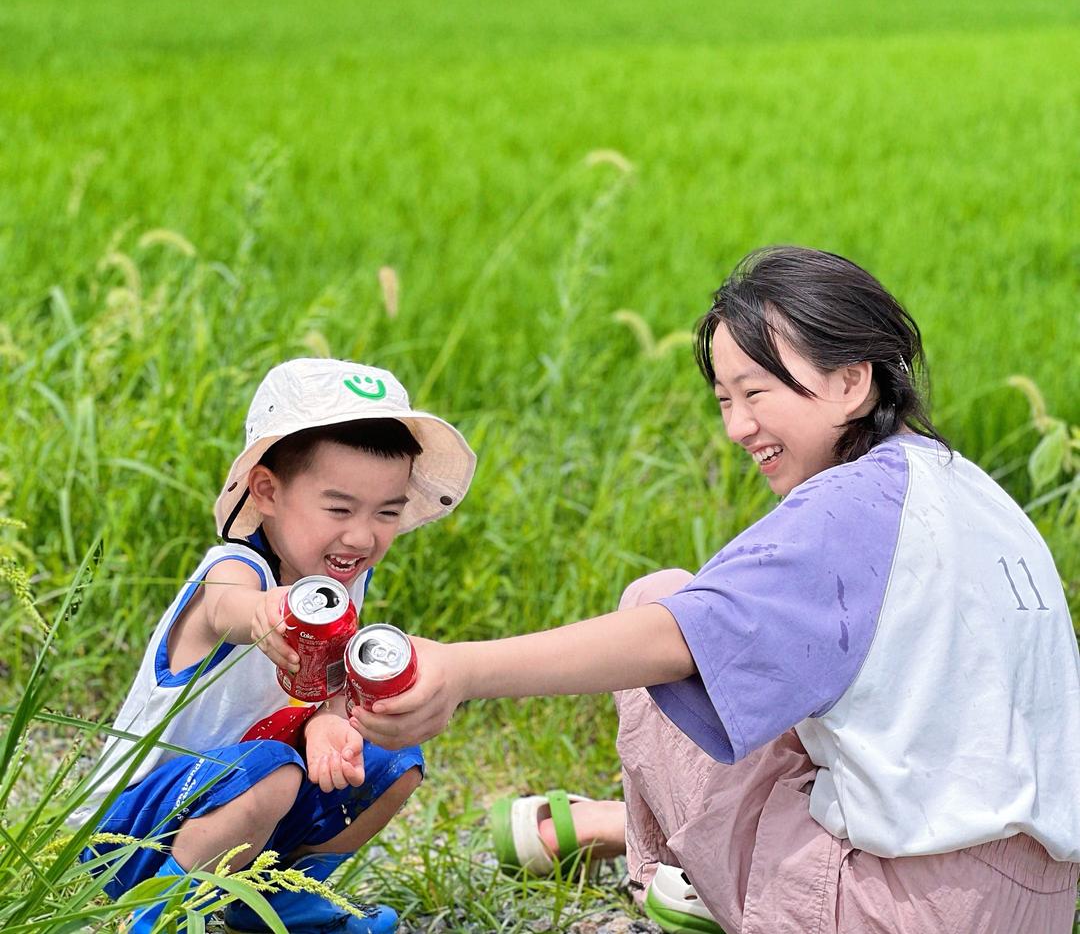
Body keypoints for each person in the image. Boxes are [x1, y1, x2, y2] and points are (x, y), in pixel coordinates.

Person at [353, 247, 1080, 933]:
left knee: (657, 603)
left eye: (756, 392)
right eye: (724, 399)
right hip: (1043, 905)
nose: (737, 426)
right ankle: (637, 842)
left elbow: (676, 635)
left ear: (853, 382)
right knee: (768, 675)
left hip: (895, 911)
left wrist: (457, 670)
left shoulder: (847, 509)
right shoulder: (966, 485)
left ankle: (668, 867)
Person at [75, 358, 476, 934]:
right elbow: (225, 606)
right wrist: (263, 615)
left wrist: (331, 721)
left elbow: (330, 686)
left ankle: (271, 893)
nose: (362, 536)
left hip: (249, 798)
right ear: (266, 490)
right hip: (128, 837)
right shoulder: (237, 570)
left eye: (387, 513)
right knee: (272, 771)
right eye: (339, 508)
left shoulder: (341, 584)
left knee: (393, 762)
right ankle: (158, 913)